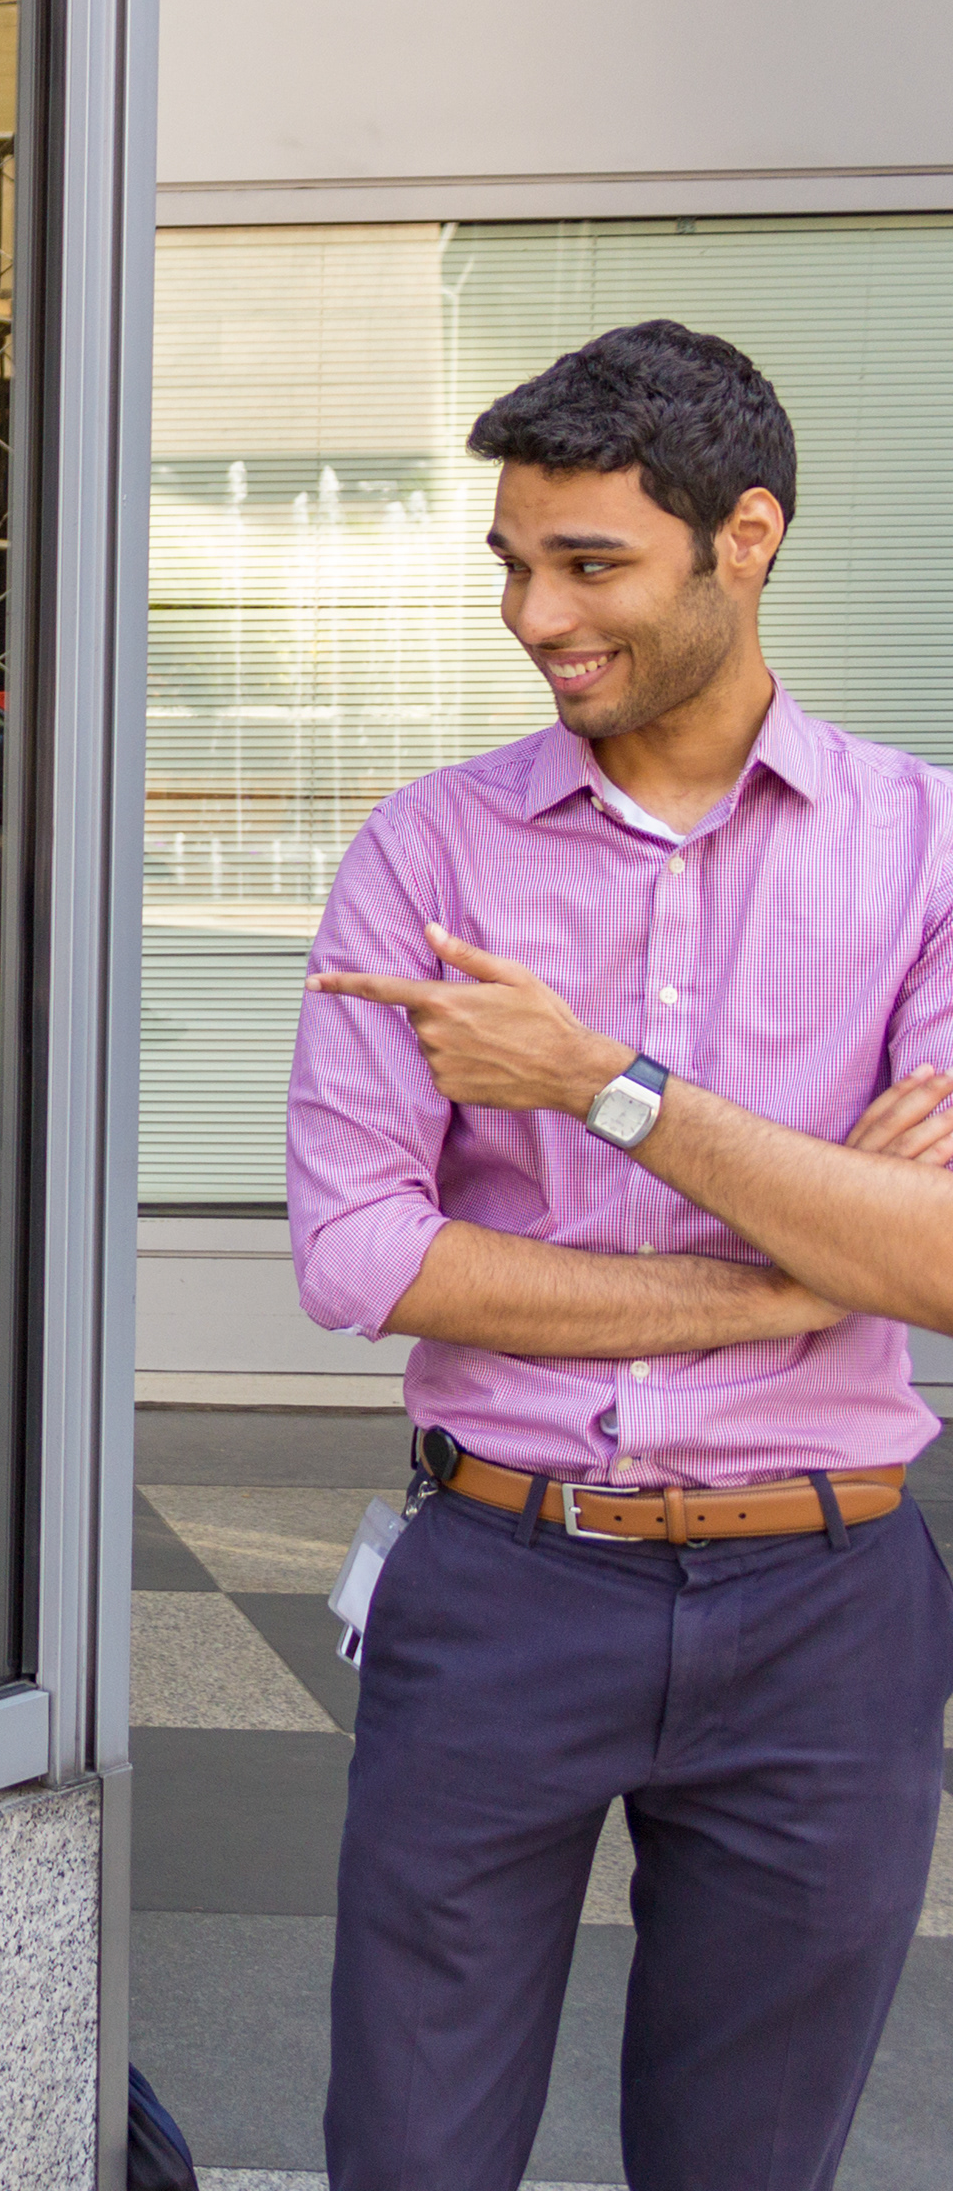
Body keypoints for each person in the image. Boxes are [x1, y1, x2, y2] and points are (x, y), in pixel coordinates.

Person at [293, 322, 953, 2191]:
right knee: (412, 2156)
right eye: (515, 563)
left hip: (828, 1607)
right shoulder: (430, 855)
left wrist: (602, 1087)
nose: (538, 617)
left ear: (748, 539)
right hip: (502, 1578)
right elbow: (360, 1255)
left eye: (591, 565)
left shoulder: (924, 852)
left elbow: (945, 1261)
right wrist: (802, 1274)